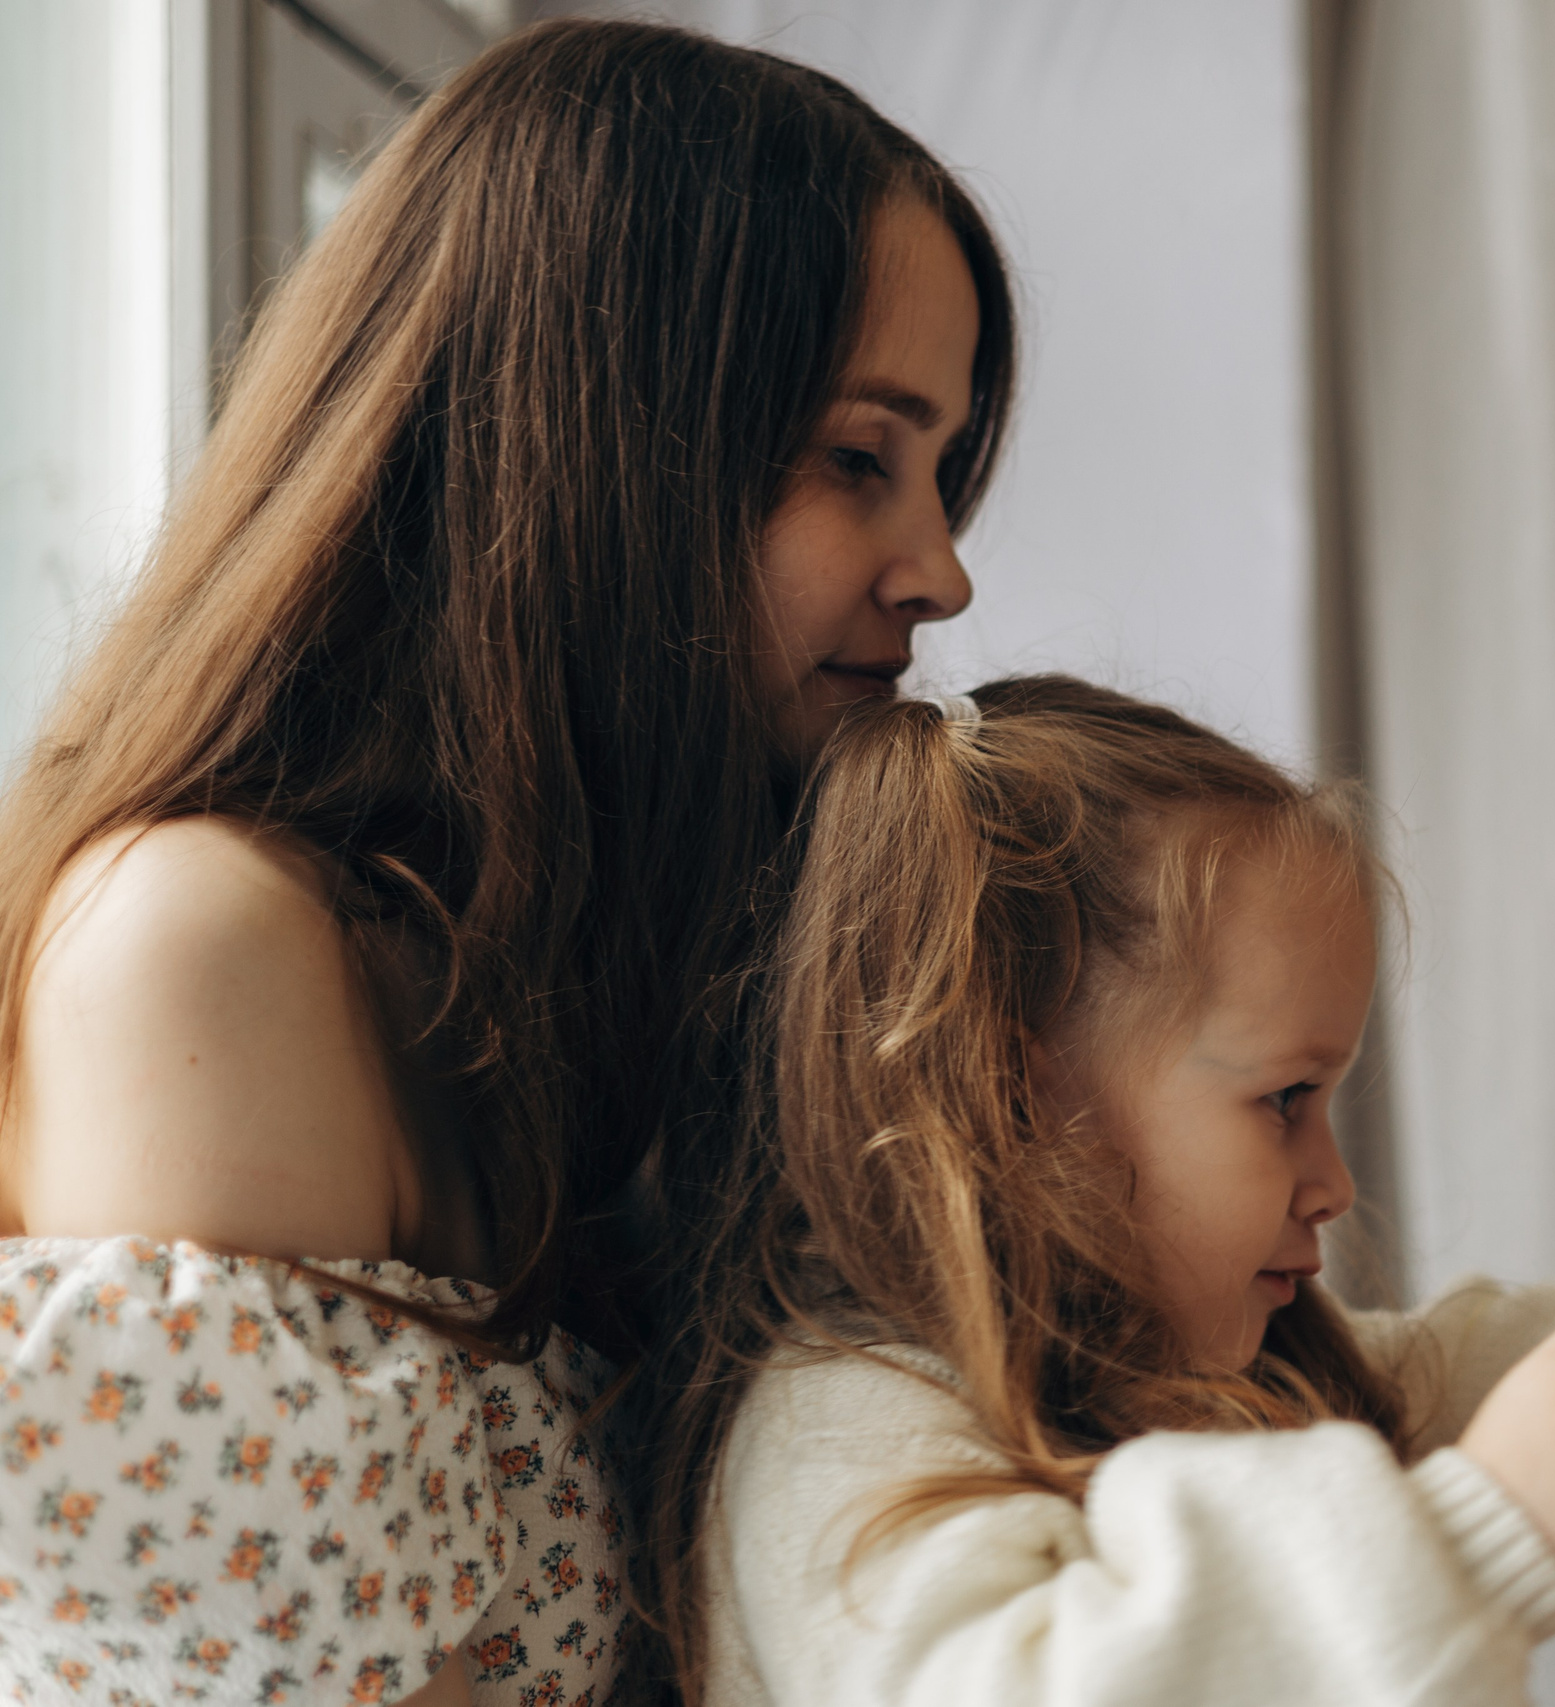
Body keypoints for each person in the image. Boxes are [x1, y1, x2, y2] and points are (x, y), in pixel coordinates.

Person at [0, 20, 1014, 1706]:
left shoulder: (643, 953)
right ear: (600, 435)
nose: (942, 574)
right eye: (859, 456)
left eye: (945, 473)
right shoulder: (206, 940)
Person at [637, 675, 1555, 1707]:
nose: (1330, 1183)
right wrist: (1478, 1531)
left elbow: (1532, 1365)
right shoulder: (846, 1433)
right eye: (1283, 1102)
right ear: (1020, 1103)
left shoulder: (1219, 1377)